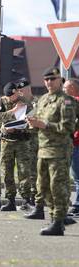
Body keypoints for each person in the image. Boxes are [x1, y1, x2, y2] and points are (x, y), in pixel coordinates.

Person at [25, 67, 76, 236]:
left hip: (59, 151)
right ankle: (55, 217)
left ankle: (58, 221)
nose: (49, 82)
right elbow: (39, 123)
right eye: (46, 79)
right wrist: (32, 124)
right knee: (43, 187)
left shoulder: (66, 101)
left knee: (58, 187)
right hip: (43, 149)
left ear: (60, 80)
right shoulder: (43, 100)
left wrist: (44, 125)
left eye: (52, 79)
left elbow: (68, 127)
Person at [0, 82, 32, 211]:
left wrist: (23, 125)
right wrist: (13, 111)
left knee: (24, 172)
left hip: (22, 141)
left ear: (17, 91)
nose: (11, 98)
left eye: (13, 95)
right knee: (7, 172)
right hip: (7, 142)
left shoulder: (25, 102)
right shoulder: (2, 101)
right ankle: (10, 200)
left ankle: (27, 200)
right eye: (9, 96)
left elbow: (33, 119)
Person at [16, 78, 38, 206]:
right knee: (22, 170)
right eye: (20, 90)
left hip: (34, 141)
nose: (21, 92)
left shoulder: (38, 103)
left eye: (23, 89)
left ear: (29, 89)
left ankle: (34, 197)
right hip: (21, 142)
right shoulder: (18, 104)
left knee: (34, 171)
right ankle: (25, 197)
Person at [63, 79, 79, 215]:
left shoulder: (75, 101)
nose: (63, 89)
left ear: (73, 87)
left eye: (65, 87)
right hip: (74, 143)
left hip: (76, 143)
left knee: (77, 177)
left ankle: (77, 206)